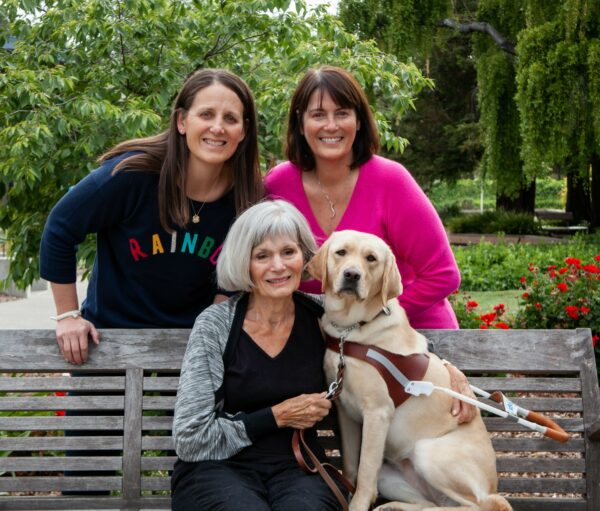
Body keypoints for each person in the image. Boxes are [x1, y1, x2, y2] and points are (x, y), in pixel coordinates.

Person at [40, 68, 263, 364]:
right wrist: (68, 317)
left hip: (190, 347)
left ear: (244, 130)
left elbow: (235, 274)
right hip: (109, 341)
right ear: (182, 121)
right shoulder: (131, 175)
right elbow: (60, 227)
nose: (218, 127)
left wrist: (217, 323)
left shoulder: (246, 196)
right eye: (206, 114)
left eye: (230, 119)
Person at [171, 200, 341, 511]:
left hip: (301, 468)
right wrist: (276, 417)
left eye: (288, 252)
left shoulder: (325, 315)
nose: (278, 266)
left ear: (304, 255)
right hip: (218, 468)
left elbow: (390, 337)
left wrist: (443, 365)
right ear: (244, 263)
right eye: (262, 256)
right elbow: (190, 438)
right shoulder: (216, 324)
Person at [265, 65, 460, 331]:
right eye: (318, 114)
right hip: (324, 340)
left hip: (413, 334)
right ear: (300, 122)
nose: (331, 125)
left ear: (358, 120)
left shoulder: (391, 181)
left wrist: (371, 318)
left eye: (342, 113)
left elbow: (443, 275)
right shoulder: (278, 185)